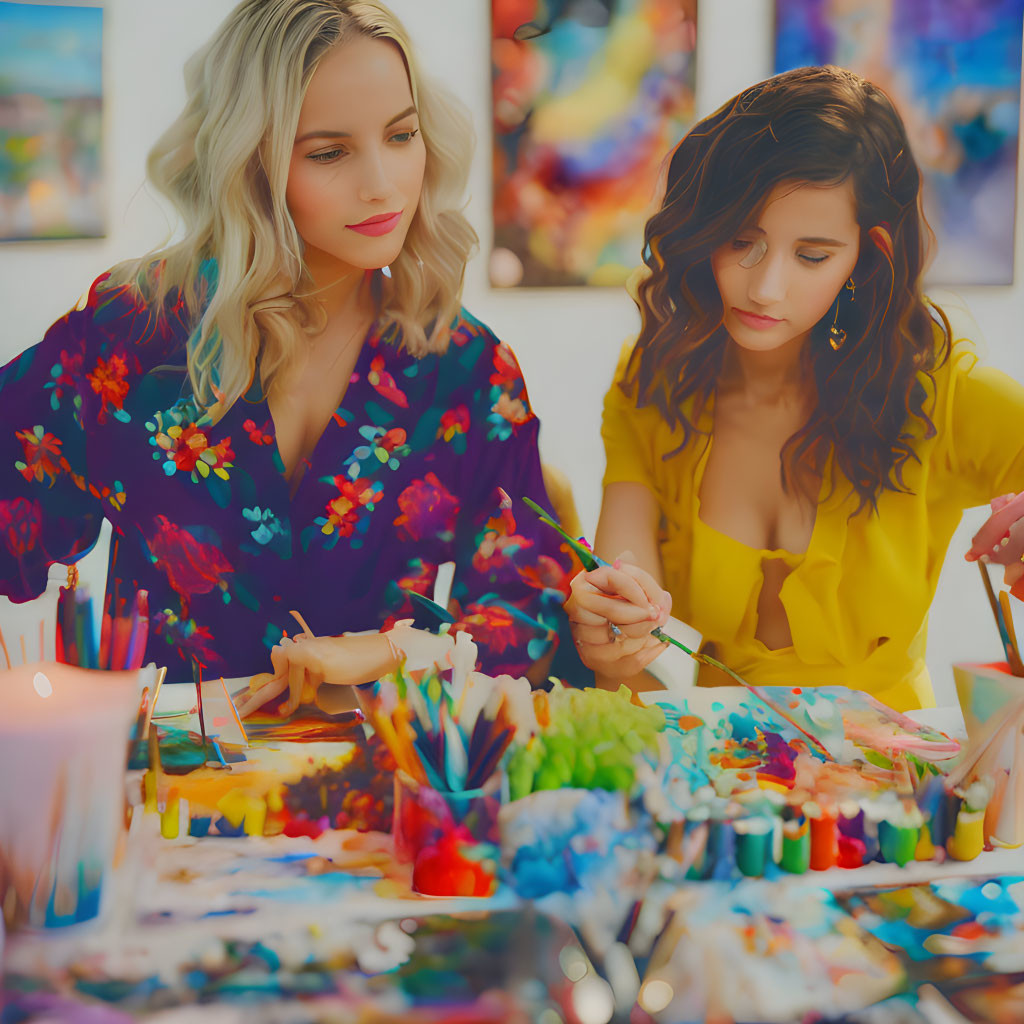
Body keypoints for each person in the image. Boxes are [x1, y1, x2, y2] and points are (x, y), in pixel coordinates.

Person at [0, 0, 582, 697]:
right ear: (250, 161)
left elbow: (524, 609)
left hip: (374, 780)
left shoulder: (465, 368)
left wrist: (399, 650)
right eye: (329, 152)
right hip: (166, 780)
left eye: (402, 136)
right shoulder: (132, 331)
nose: (382, 184)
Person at [567, 65, 1024, 712]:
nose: (766, 288)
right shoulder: (654, 383)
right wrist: (612, 626)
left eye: (812, 256)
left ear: (867, 257)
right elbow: (625, 584)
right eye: (741, 239)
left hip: (889, 783)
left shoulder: (937, 396)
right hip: (724, 774)